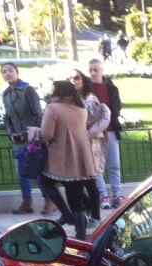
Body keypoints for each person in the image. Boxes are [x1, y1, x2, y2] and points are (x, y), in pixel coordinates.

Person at [38, 80, 98, 241]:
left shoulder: (52, 108)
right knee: (76, 196)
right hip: (81, 157)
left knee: (45, 181)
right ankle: (80, 234)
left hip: (61, 157)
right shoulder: (81, 109)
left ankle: (66, 215)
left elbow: (46, 134)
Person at [1, 62, 52, 215]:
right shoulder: (6, 94)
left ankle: (49, 201)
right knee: (22, 172)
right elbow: (8, 117)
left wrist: (24, 134)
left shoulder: (28, 90)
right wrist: (11, 133)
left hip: (31, 138)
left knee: (36, 171)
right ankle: (27, 203)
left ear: (17, 72)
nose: (7, 73)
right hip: (16, 140)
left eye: (10, 70)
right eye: (4, 72)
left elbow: (37, 114)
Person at [73, 69, 110, 223]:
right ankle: (87, 208)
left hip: (89, 144)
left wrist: (89, 134)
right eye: (69, 78)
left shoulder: (90, 100)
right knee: (75, 180)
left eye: (76, 78)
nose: (72, 81)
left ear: (83, 80)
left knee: (89, 180)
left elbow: (101, 119)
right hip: (75, 144)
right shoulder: (69, 99)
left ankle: (95, 215)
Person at [88, 59, 124, 208]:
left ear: (102, 70)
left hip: (110, 130)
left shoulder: (111, 87)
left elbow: (117, 106)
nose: (93, 73)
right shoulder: (87, 88)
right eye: (91, 70)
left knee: (114, 165)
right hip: (95, 133)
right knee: (97, 166)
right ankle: (103, 196)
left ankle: (117, 194)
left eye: (96, 70)